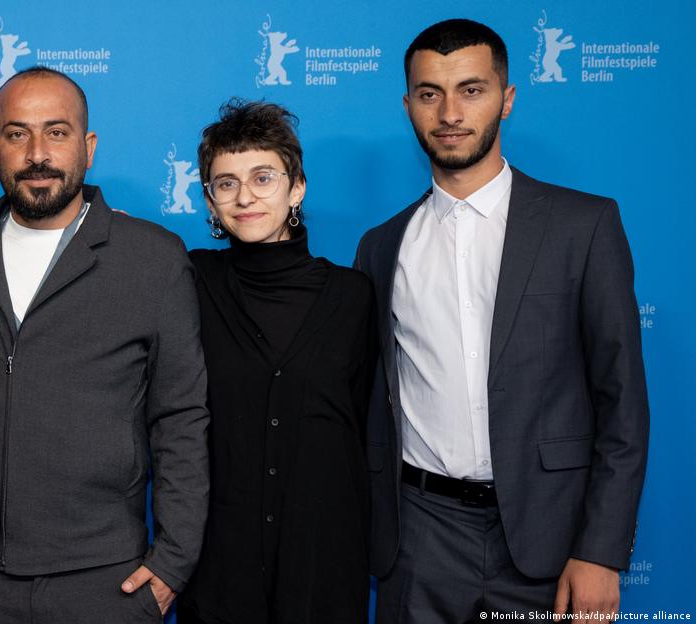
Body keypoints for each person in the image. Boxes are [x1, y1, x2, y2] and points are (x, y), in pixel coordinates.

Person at [354, 19, 650, 622]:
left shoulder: (582, 226)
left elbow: (622, 399)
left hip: (552, 539)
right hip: (419, 538)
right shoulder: (382, 246)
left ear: (507, 98)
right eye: (430, 93)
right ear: (408, 105)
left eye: (472, 89)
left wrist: (600, 551)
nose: (450, 112)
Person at [0, 67, 209, 623]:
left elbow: (180, 418)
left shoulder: (152, 259)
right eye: (16, 134)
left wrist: (174, 563)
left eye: (56, 132)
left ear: (88, 145)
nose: (37, 153)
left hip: (106, 581)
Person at [176, 100, 376, 624]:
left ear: (297, 187)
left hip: (323, 568)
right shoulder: (188, 281)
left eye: (262, 177)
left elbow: (361, 428)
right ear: (209, 199)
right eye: (225, 183)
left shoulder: (354, 297)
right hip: (220, 571)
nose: (244, 197)